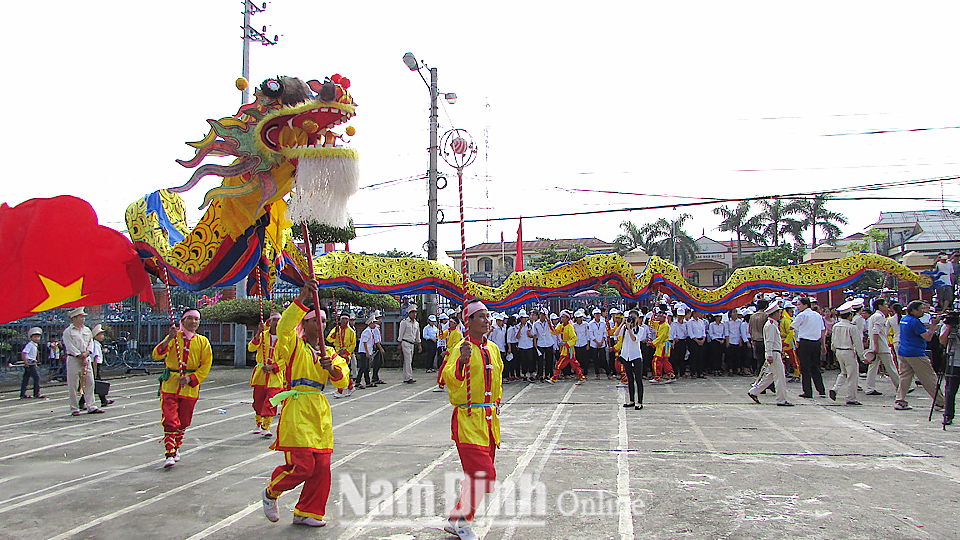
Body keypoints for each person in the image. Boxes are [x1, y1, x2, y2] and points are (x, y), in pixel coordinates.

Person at [261, 279, 350, 527]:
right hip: (297, 408)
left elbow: (343, 382)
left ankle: (307, 512)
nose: (321, 325)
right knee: (303, 465)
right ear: (305, 323)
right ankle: (271, 492)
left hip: (319, 411)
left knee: (322, 467)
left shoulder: (330, 352)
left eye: (323, 321)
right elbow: (284, 328)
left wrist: (331, 368)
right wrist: (303, 297)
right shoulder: (293, 345)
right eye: (315, 321)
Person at [441, 300, 503, 540]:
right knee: (483, 473)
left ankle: (456, 518)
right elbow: (450, 377)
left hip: (488, 421)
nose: (487, 321)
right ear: (469, 322)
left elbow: (496, 380)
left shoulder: (493, 348)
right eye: (481, 317)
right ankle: (465, 523)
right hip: (468, 419)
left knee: (475, 475)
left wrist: (496, 402)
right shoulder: (461, 347)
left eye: (488, 316)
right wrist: (461, 362)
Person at [153, 309, 213, 467]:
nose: (194, 322)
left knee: (184, 421)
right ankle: (169, 452)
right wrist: (168, 339)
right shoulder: (174, 337)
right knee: (170, 420)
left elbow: (206, 365)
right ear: (183, 320)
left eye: (196, 319)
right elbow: (157, 354)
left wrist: (190, 378)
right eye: (190, 319)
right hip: (171, 385)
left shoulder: (202, 341)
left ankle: (176, 446)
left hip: (189, 387)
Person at [894, 300, 946, 411]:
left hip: (904, 351)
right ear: (913, 310)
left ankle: (900, 400)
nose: (923, 311)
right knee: (929, 377)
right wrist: (934, 326)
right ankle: (940, 402)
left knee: (905, 377)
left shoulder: (905, 319)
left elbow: (920, 327)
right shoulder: (915, 322)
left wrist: (931, 325)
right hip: (916, 353)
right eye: (921, 309)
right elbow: (928, 337)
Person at [747, 302, 794, 406]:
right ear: (774, 313)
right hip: (773, 353)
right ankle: (781, 399)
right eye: (779, 312)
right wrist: (769, 355)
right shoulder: (770, 325)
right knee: (780, 377)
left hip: (775, 352)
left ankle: (754, 392)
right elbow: (769, 341)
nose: (780, 314)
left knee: (771, 376)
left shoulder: (772, 324)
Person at [248, 311, 283, 436]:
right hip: (261, 375)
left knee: (271, 401)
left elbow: (286, 358)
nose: (277, 323)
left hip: (275, 376)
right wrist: (258, 333)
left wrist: (273, 366)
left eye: (279, 321)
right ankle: (258, 423)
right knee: (258, 401)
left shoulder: (284, 339)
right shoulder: (263, 336)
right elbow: (251, 348)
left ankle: (266, 426)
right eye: (274, 320)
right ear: (269, 322)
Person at [62, 307, 102, 416]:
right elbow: (70, 346)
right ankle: (74, 408)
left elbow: (90, 343)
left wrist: (87, 353)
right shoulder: (68, 332)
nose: (82, 319)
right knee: (73, 384)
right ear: (74, 318)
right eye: (80, 317)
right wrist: (80, 355)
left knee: (89, 382)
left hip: (86, 357)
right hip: (74, 359)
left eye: (83, 317)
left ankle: (91, 405)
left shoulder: (87, 330)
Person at [829, 300, 865, 405]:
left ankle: (835, 388)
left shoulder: (836, 326)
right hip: (848, 352)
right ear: (850, 315)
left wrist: (835, 351)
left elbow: (833, 342)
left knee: (843, 373)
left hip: (839, 351)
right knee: (852, 375)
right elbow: (858, 343)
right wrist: (862, 356)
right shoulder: (852, 327)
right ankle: (851, 397)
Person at [791, 297, 826, 398]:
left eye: (799, 304)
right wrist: (823, 345)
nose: (797, 307)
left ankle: (808, 391)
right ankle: (821, 389)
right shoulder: (818, 315)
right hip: (816, 343)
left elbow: (792, 326)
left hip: (805, 343)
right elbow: (822, 330)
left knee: (805, 368)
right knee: (815, 367)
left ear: (805, 305)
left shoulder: (802, 315)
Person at [864, 298, 899, 396]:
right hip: (881, 347)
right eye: (885, 305)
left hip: (877, 346)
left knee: (873, 367)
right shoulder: (880, 317)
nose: (887, 307)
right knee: (891, 367)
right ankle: (900, 386)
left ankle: (869, 387)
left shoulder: (874, 316)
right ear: (880, 306)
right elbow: (876, 332)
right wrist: (876, 347)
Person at [80, 324, 113, 409]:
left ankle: (103, 400)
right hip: (95, 366)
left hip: (97, 365)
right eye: (100, 334)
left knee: (96, 384)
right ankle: (82, 401)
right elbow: (95, 358)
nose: (102, 336)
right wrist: (94, 371)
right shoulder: (94, 344)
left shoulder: (97, 344)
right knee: (93, 384)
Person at [617, 310, 645, 409]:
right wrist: (622, 324)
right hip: (626, 356)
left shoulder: (640, 329)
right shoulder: (625, 328)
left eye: (634, 318)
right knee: (630, 378)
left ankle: (640, 401)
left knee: (638, 379)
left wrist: (629, 328)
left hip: (636, 356)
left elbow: (634, 339)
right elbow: (615, 334)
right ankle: (631, 400)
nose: (632, 320)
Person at [549, 310, 586, 384]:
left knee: (559, 364)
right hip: (565, 349)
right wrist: (550, 324)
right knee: (574, 364)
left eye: (564, 317)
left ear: (567, 318)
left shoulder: (570, 327)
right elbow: (555, 331)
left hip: (568, 349)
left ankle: (554, 378)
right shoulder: (561, 326)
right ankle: (581, 377)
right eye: (561, 317)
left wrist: (565, 344)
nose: (562, 319)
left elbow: (574, 338)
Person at [328, 312, 358, 396]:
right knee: (342, 371)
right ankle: (350, 386)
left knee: (341, 370)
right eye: (343, 319)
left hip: (346, 354)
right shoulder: (336, 329)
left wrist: (345, 351)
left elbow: (353, 344)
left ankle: (340, 390)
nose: (344, 321)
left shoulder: (351, 331)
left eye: (346, 319)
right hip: (337, 353)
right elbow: (329, 339)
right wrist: (334, 334)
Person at [939, 312, 959, 426]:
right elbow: (942, 341)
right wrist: (949, 328)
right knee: (950, 391)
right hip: (953, 362)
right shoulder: (946, 325)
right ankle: (948, 415)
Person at [397, 305, 422, 384]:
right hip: (405, 342)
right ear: (409, 313)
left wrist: (419, 344)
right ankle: (409, 377)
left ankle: (406, 377)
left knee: (408, 360)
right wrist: (399, 343)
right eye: (412, 313)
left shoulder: (416, 324)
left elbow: (418, 334)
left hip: (412, 343)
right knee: (408, 360)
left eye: (415, 313)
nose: (414, 315)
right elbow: (401, 333)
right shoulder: (404, 322)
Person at [20, 327, 45, 399]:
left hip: (32, 363)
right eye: (35, 337)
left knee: (26, 378)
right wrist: (25, 362)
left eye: (38, 337)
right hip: (29, 363)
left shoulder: (35, 345)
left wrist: (35, 363)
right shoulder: (30, 344)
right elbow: (24, 353)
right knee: (36, 378)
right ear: (31, 338)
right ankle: (36, 393)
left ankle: (23, 394)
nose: (37, 338)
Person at [650, 311, 675, 383]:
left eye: (660, 316)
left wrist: (653, 343)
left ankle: (658, 376)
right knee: (664, 361)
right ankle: (670, 375)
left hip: (663, 345)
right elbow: (651, 323)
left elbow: (661, 337)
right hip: (660, 345)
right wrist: (653, 315)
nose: (658, 318)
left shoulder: (665, 326)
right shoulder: (658, 324)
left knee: (657, 360)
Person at [780, 303, 801, 381]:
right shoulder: (785, 320)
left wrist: (786, 342)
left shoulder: (786, 320)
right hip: (785, 342)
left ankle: (797, 374)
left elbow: (791, 332)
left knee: (793, 359)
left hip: (787, 343)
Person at [533, 310, 555, 383]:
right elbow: (535, 334)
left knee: (549, 360)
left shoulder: (549, 323)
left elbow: (553, 331)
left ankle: (548, 374)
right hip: (541, 343)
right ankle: (541, 375)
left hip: (548, 342)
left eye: (544, 315)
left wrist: (550, 324)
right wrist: (535, 343)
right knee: (540, 360)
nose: (542, 316)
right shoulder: (536, 324)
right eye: (541, 314)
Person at [515, 310, 536, 383]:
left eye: (526, 318)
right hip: (522, 346)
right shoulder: (517, 327)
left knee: (530, 360)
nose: (525, 319)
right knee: (523, 361)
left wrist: (529, 334)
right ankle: (524, 375)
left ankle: (531, 374)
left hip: (529, 345)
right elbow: (517, 337)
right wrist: (520, 329)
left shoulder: (529, 325)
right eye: (523, 318)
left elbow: (533, 336)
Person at [356, 315, 377, 388]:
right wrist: (367, 352)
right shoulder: (367, 331)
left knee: (366, 367)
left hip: (366, 351)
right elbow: (364, 342)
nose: (375, 325)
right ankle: (358, 381)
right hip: (364, 351)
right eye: (374, 323)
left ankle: (367, 382)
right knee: (363, 367)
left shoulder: (370, 331)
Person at [371, 311, 387, 385]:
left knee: (379, 362)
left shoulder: (377, 328)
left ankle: (375, 376)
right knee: (377, 362)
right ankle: (375, 377)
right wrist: (381, 348)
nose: (380, 320)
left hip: (378, 345)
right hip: (376, 346)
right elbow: (376, 340)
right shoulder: (375, 328)